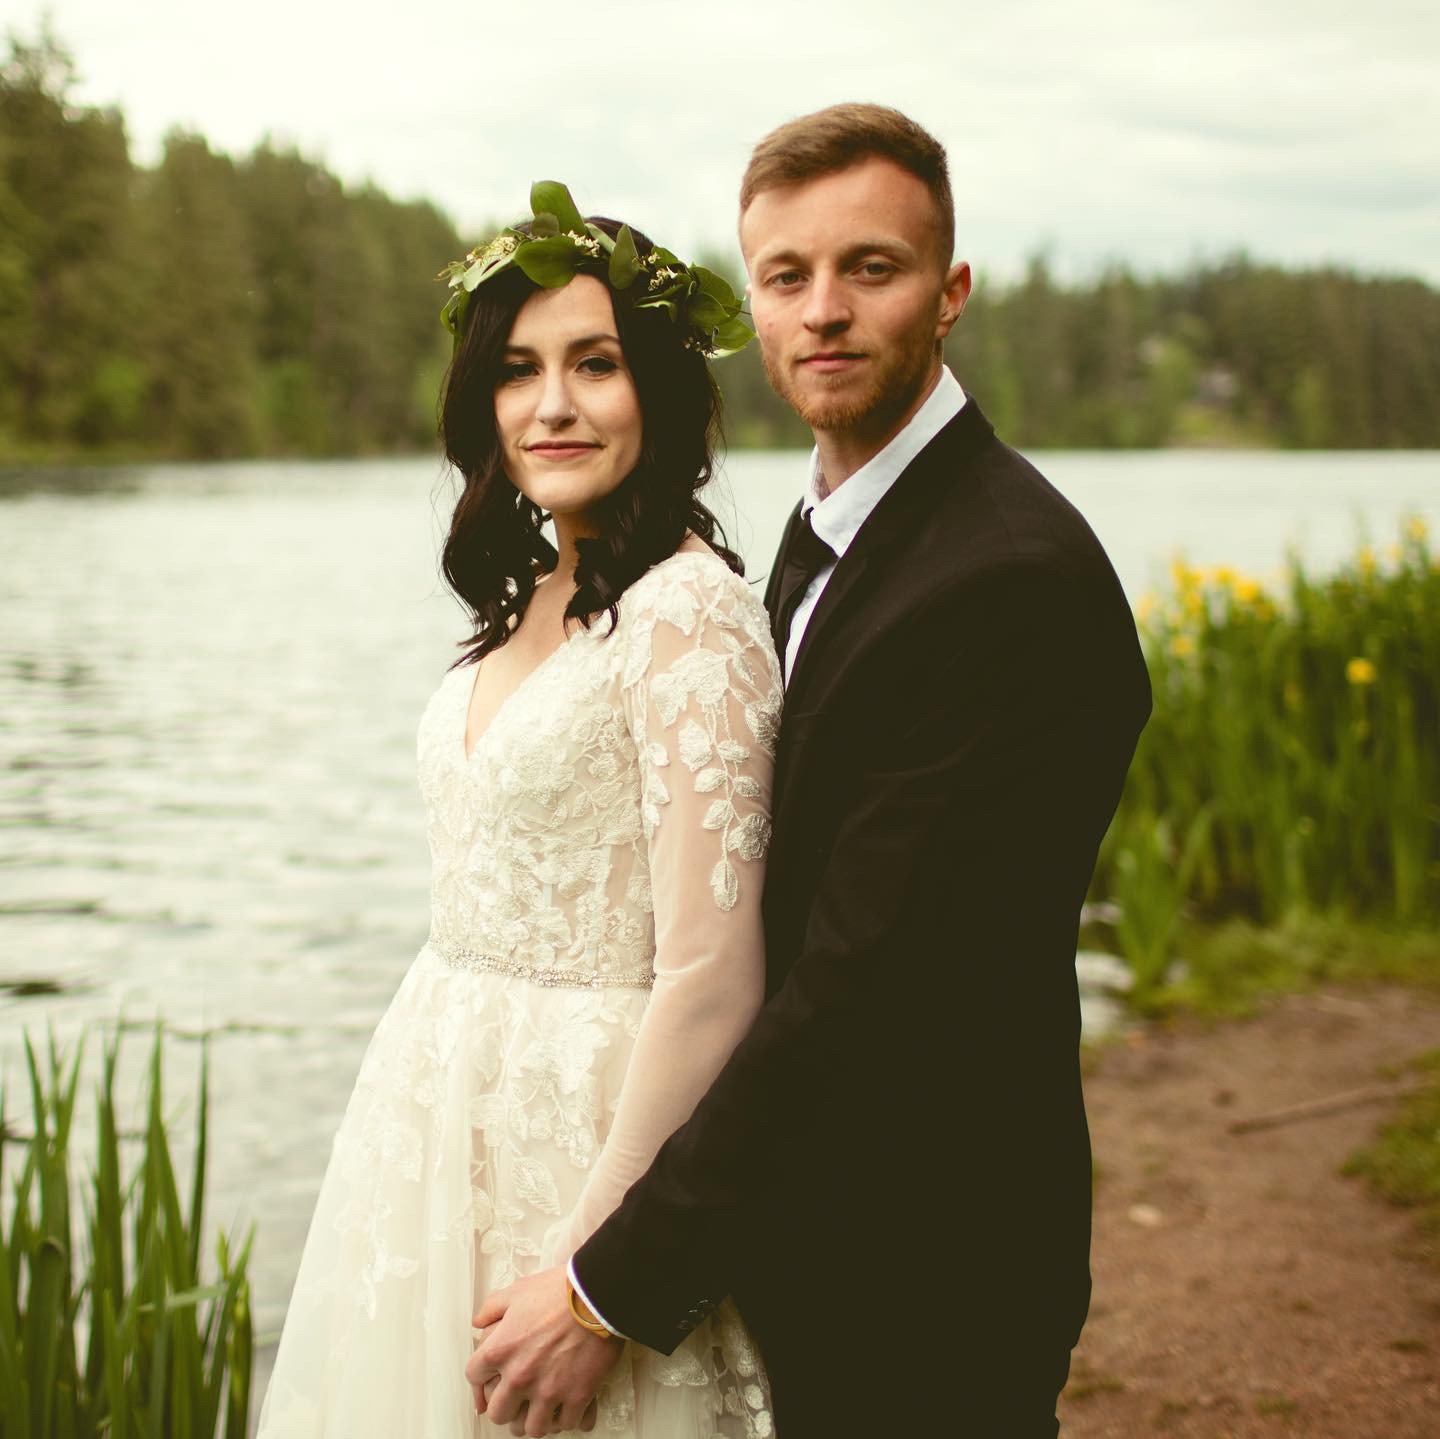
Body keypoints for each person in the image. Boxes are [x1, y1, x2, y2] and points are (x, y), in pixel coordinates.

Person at [467, 106, 1153, 1437]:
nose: (824, 310)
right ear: (755, 305)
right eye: (786, 276)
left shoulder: (1006, 577)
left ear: (950, 292)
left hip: (923, 1253)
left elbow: (863, 988)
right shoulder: (830, 531)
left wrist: (607, 1282)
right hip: (799, 1228)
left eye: (871, 269)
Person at [254, 185, 782, 1438]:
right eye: (517, 370)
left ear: (653, 385)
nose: (552, 404)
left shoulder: (688, 613)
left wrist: (596, 1272)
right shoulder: (531, 593)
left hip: (588, 1133)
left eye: (593, 364)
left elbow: (712, 972)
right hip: (437, 1115)